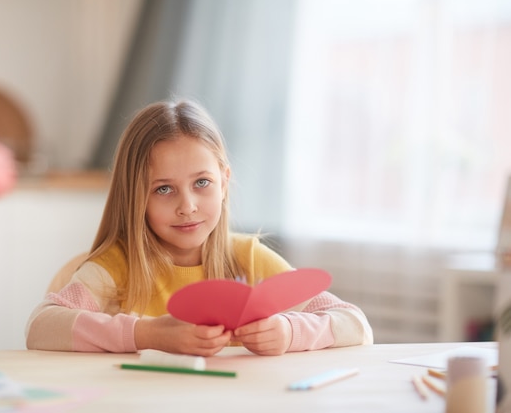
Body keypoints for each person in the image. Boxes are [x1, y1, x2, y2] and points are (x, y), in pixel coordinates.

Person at [26, 99, 373, 356]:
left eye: (202, 183)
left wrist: (288, 331)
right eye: (163, 189)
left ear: (224, 180)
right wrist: (147, 335)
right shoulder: (117, 267)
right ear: (135, 197)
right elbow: (41, 327)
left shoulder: (249, 260)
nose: (187, 206)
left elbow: (356, 325)